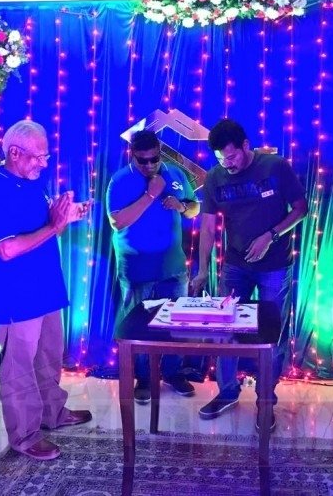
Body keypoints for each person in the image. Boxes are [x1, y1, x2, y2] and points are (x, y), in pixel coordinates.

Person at [0, 120, 92, 462]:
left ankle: (52, 413)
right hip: (18, 296)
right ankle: (25, 436)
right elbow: (6, 249)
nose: (44, 163)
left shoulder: (33, 184)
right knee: (19, 371)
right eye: (38, 157)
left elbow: (46, 230)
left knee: (49, 358)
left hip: (46, 289)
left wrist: (65, 218)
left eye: (46, 156)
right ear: (14, 153)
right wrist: (54, 226)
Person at [191, 118, 307, 430]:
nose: (227, 164)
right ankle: (227, 391)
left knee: (271, 334)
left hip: (275, 266)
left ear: (246, 146)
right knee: (225, 328)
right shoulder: (215, 178)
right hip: (235, 265)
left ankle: (265, 400)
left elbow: (301, 209)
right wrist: (202, 270)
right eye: (220, 159)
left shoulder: (274, 167)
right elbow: (207, 227)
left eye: (231, 157)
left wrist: (271, 235)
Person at [106, 129, 199, 404]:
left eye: (154, 159)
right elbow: (117, 222)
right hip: (137, 268)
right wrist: (150, 195)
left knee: (177, 322)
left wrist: (181, 207)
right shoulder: (120, 180)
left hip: (173, 265)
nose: (149, 165)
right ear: (132, 155)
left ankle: (173, 372)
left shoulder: (175, 173)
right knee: (138, 325)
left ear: (160, 153)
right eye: (142, 160)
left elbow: (195, 207)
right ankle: (144, 378)